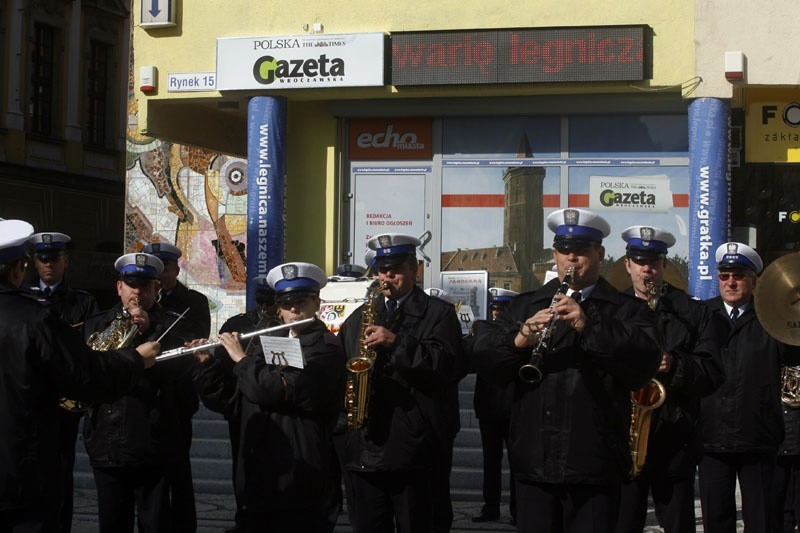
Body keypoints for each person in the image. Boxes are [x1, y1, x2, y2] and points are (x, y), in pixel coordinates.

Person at [471, 208, 661, 533]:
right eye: (564, 251)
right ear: (555, 255)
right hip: (534, 463)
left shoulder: (628, 310)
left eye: (581, 251)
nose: (571, 260)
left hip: (594, 464)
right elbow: (481, 357)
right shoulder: (526, 306)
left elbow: (642, 364)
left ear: (599, 254)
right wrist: (519, 338)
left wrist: (590, 326)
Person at [0, 219, 159, 531]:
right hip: (20, 471)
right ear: (19, 269)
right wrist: (135, 360)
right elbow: (84, 375)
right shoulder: (34, 317)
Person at [193, 262, 345, 532]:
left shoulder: (326, 349)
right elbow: (233, 401)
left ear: (317, 303)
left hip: (302, 474)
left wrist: (240, 358)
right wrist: (207, 365)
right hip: (259, 473)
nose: (294, 310)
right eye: (287, 304)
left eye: (301, 302)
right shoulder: (270, 342)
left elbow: (271, 389)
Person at [338, 233, 462, 532]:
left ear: (414, 269)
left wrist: (397, 343)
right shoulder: (358, 318)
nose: (388, 276)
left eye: (395, 269)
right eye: (382, 270)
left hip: (416, 448)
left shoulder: (439, 313)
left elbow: (447, 366)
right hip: (366, 444)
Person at [615, 225, 725, 533]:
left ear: (664, 265)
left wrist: (674, 364)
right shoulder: (612, 310)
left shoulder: (693, 312)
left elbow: (713, 372)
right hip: (624, 438)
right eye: (639, 261)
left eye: (654, 261)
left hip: (675, 440)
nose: (647, 269)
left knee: (678, 525)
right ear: (627, 264)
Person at [82, 252, 194, 532]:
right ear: (119, 287)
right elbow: (88, 373)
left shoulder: (171, 325)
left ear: (156, 289)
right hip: (106, 442)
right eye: (131, 285)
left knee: (155, 524)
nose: (137, 292)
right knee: (112, 524)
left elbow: (178, 372)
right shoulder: (97, 323)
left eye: (145, 286)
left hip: (153, 444)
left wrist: (146, 333)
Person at [700, 242, 798, 533]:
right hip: (711, 437)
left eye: (739, 275)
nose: (731, 282)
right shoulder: (702, 316)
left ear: (754, 280)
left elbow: (793, 353)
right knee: (716, 520)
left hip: (758, 437)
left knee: (762, 521)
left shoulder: (772, 317)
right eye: (725, 275)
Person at [25, 231, 101, 533]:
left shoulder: (81, 302)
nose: (48, 265)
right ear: (33, 261)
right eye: (42, 259)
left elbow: (91, 347)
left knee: (59, 473)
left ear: (65, 261)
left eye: (54, 259)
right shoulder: (24, 297)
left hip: (63, 403)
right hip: (28, 398)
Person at [142, 241, 209, 533]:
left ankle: (183, 525)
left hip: (178, 394)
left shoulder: (193, 301)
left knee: (178, 467)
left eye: (166, 269)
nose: (161, 277)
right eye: (155, 271)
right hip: (145, 397)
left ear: (175, 269)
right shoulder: (140, 300)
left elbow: (194, 346)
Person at [471, 287, 518, 525]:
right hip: (489, 408)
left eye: (502, 308)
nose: (497, 312)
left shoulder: (519, 335)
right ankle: (490, 507)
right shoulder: (485, 333)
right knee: (491, 462)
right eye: (495, 308)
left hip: (512, 407)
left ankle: (517, 510)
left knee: (517, 463)